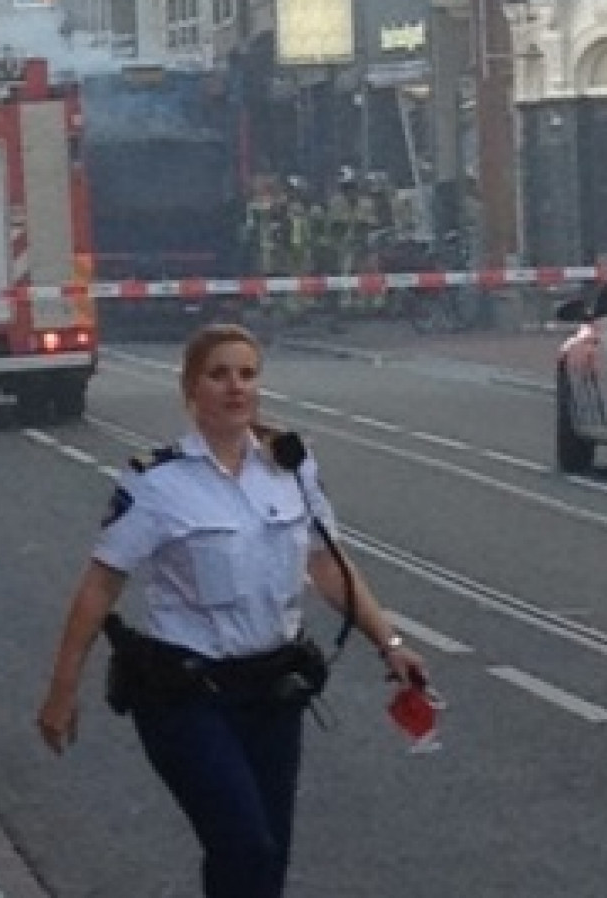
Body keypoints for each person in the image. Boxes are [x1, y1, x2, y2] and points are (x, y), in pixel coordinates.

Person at [37, 323, 430, 898]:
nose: (234, 387)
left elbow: (327, 566)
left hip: (272, 692)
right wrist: (62, 689)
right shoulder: (157, 481)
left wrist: (390, 644)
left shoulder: (292, 468)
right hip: (187, 696)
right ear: (191, 389)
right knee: (244, 845)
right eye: (218, 374)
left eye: (246, 374)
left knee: (267, 863)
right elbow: (100, 586)